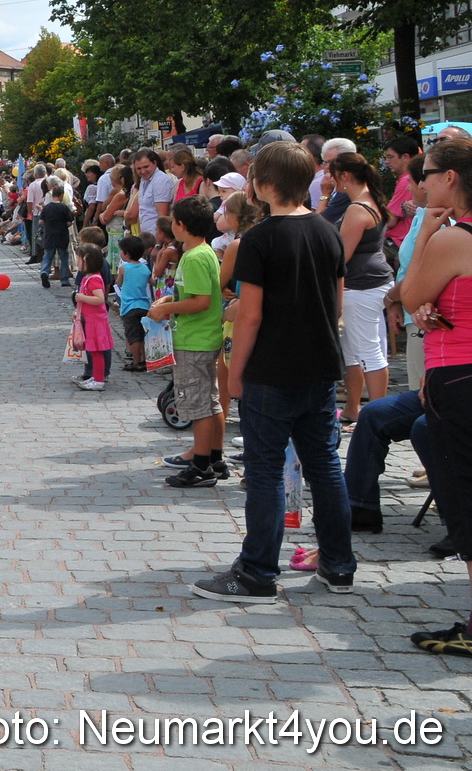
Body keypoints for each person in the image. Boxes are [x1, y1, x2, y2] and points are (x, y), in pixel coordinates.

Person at [194, 141, 353, 603]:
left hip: (273, 366)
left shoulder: (260, 239)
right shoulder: (327, 231)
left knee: (264, 471)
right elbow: (335, 302)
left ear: (262, 186)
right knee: (324, 466)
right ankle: (338, 564)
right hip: (320, 363)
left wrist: (236, 371)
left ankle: (258, 572)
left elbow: (250, 315)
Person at [399, 134, 472, 655]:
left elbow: (410, 294)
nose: (419, 182)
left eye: (426, 172)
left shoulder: (455, 237)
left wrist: (426, 230)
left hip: (459, 377)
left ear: (450, 179)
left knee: (464, 501)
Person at [148, 197, 226, 486]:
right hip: (204, 338)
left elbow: (201, 302)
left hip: (194, 340)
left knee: (197, 405)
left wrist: (165, 309)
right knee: (211, 401)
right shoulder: (204, 251)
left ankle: (202, 466)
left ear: (181, 225)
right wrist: (171, 298)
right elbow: (195, 295)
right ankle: (216, 458)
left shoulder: (193, 257)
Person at [330, 153, 395, 426]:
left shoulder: (358, 207)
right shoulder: (370, 199)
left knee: (369, 351)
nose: (329, 180)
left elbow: (340, 255)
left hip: (361, 285)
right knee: (355, 351)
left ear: (344, 176)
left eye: (332, 175)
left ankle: (376, 416)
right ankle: (354, 410)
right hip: (369, 282)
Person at [72, 244, 113, 390]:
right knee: (93, 351)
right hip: (90, 320)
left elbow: (99, 299)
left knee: (96, 352)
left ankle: (99, 380)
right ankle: (95, 377)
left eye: (78, 258)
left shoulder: (94, 279)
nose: (76, 261)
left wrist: (81, 297)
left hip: (96, 322)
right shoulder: (87, 278)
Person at [117, 235, 152, 373]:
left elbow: (119, 283)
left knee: (133, 336)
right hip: (144, 305)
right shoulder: (145, 268)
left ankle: (136, 362)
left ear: (126, 253)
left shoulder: (124, 268)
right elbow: (151, 281)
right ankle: (144, 359)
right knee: (142, 334)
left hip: (129, 307)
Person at [133, 149, 177, 237]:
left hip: (156, 236)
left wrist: (159, 243)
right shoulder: (144, 180)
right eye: (139, 168)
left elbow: (162, 216)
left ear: (155, 163)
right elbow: (142, 211)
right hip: (147, 236)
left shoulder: (161, 181)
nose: (142, 171)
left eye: (146, 167)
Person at [39, 179, 73, 289]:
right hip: (62, 235)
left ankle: (44, 271)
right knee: (64, 256)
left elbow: (41, 221)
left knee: (48, 255)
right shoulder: (64, 207)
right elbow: (69, 222)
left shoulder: (47, 208)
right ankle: (64, 279)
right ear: (62, 195)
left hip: (49, 235)